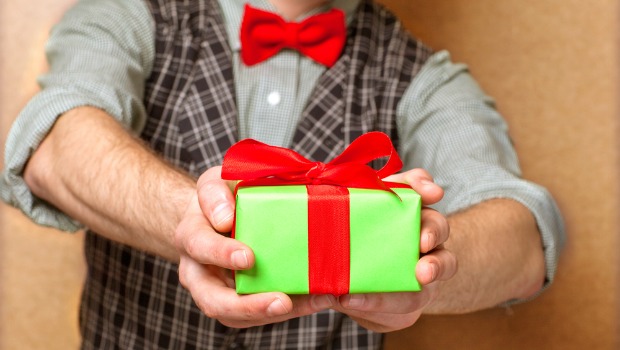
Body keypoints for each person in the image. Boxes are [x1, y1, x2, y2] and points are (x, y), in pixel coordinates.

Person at [0, 0, 565, 348]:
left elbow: (526, 241)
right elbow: (55, 144)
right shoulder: (129, 13)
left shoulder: (424, 77)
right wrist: (193, 221)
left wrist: (428, 262)